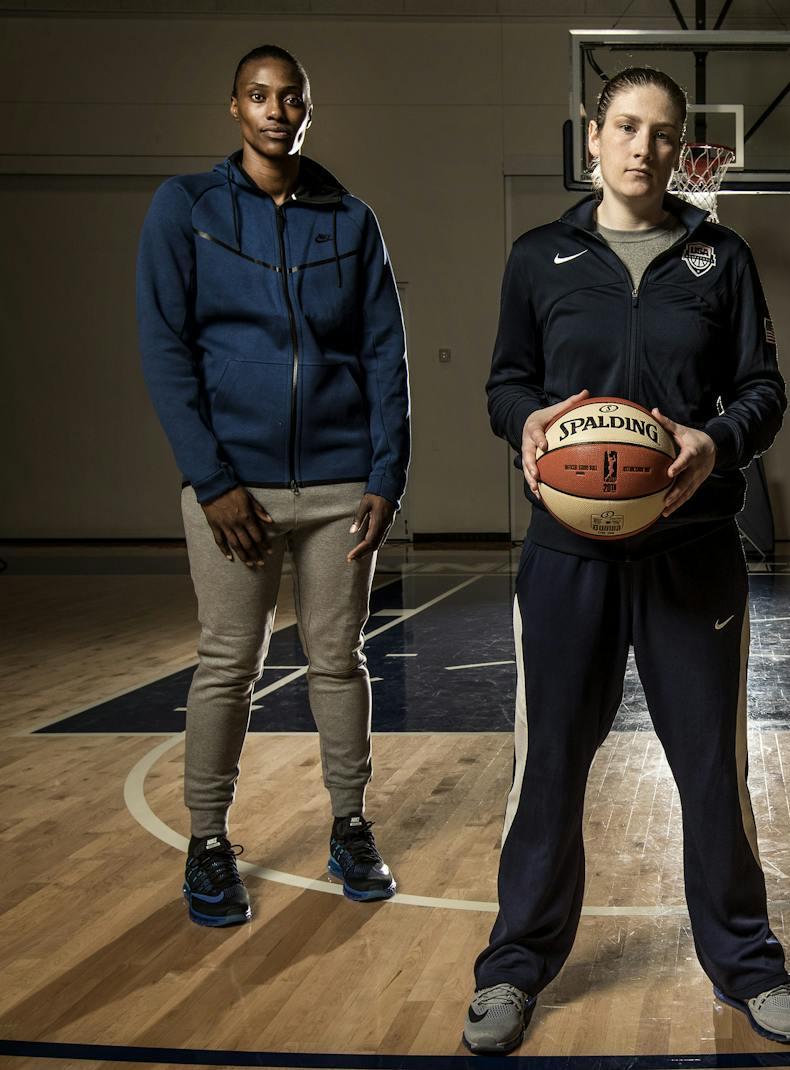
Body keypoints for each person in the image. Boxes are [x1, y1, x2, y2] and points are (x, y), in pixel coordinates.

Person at [467, 67, 790, 1052]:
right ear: (592, 137)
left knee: (711, 769)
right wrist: (527, 419)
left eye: (663, 134)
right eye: (625, 127)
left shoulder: (722, 258)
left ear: (682, 150)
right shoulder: (540, 256)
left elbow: (765, 388)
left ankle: (747, 961)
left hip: (693, 549)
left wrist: (714, 440)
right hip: (564, 554)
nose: (642, 147)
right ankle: (513, 965)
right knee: (547, 768)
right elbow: (503, 385)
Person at [137, 45, 411, 927]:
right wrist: (211, 480)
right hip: (235, 492)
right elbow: (165, 351)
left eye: (289, 97)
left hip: (340, 487)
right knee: (227, 663)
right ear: (235, 108)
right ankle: (208, 841)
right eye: (258, 95)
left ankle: (350, 825)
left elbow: (384, 356)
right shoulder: (186, 209)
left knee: (338, 660)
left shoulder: (351, 217)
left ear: (308, 110)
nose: (274, 109)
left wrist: (386, 472)